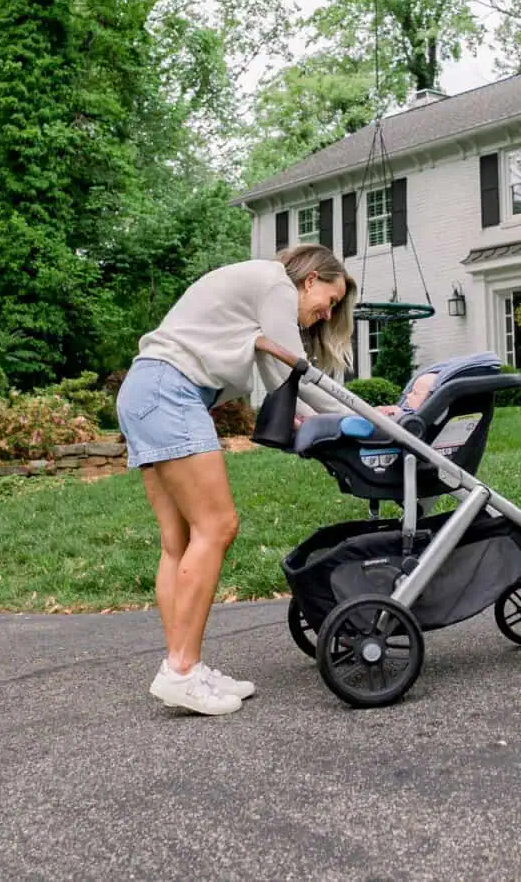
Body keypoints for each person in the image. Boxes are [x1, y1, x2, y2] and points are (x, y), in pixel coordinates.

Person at [116, 244, 357, 716]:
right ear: (309, 281)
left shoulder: (255, 288)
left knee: (177, 541)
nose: (326, 314)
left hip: (143, 389)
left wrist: (306, 416)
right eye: (328, 301)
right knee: (218, 526)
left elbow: (280, 379)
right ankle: (182, 670)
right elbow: (299, 375)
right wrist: (365, 417)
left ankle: (181, 667)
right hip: (171, 392)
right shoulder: (274, 285)